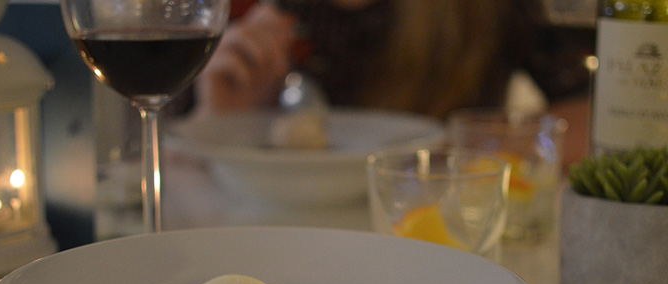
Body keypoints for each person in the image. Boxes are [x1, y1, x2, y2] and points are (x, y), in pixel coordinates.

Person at [191, 0, 593, 168]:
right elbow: (171, 170)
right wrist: (224, 118)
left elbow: (591, 121)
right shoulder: (260, 12)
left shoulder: (485, 11)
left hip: (427, 234)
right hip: (277, 237)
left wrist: (456, 150)